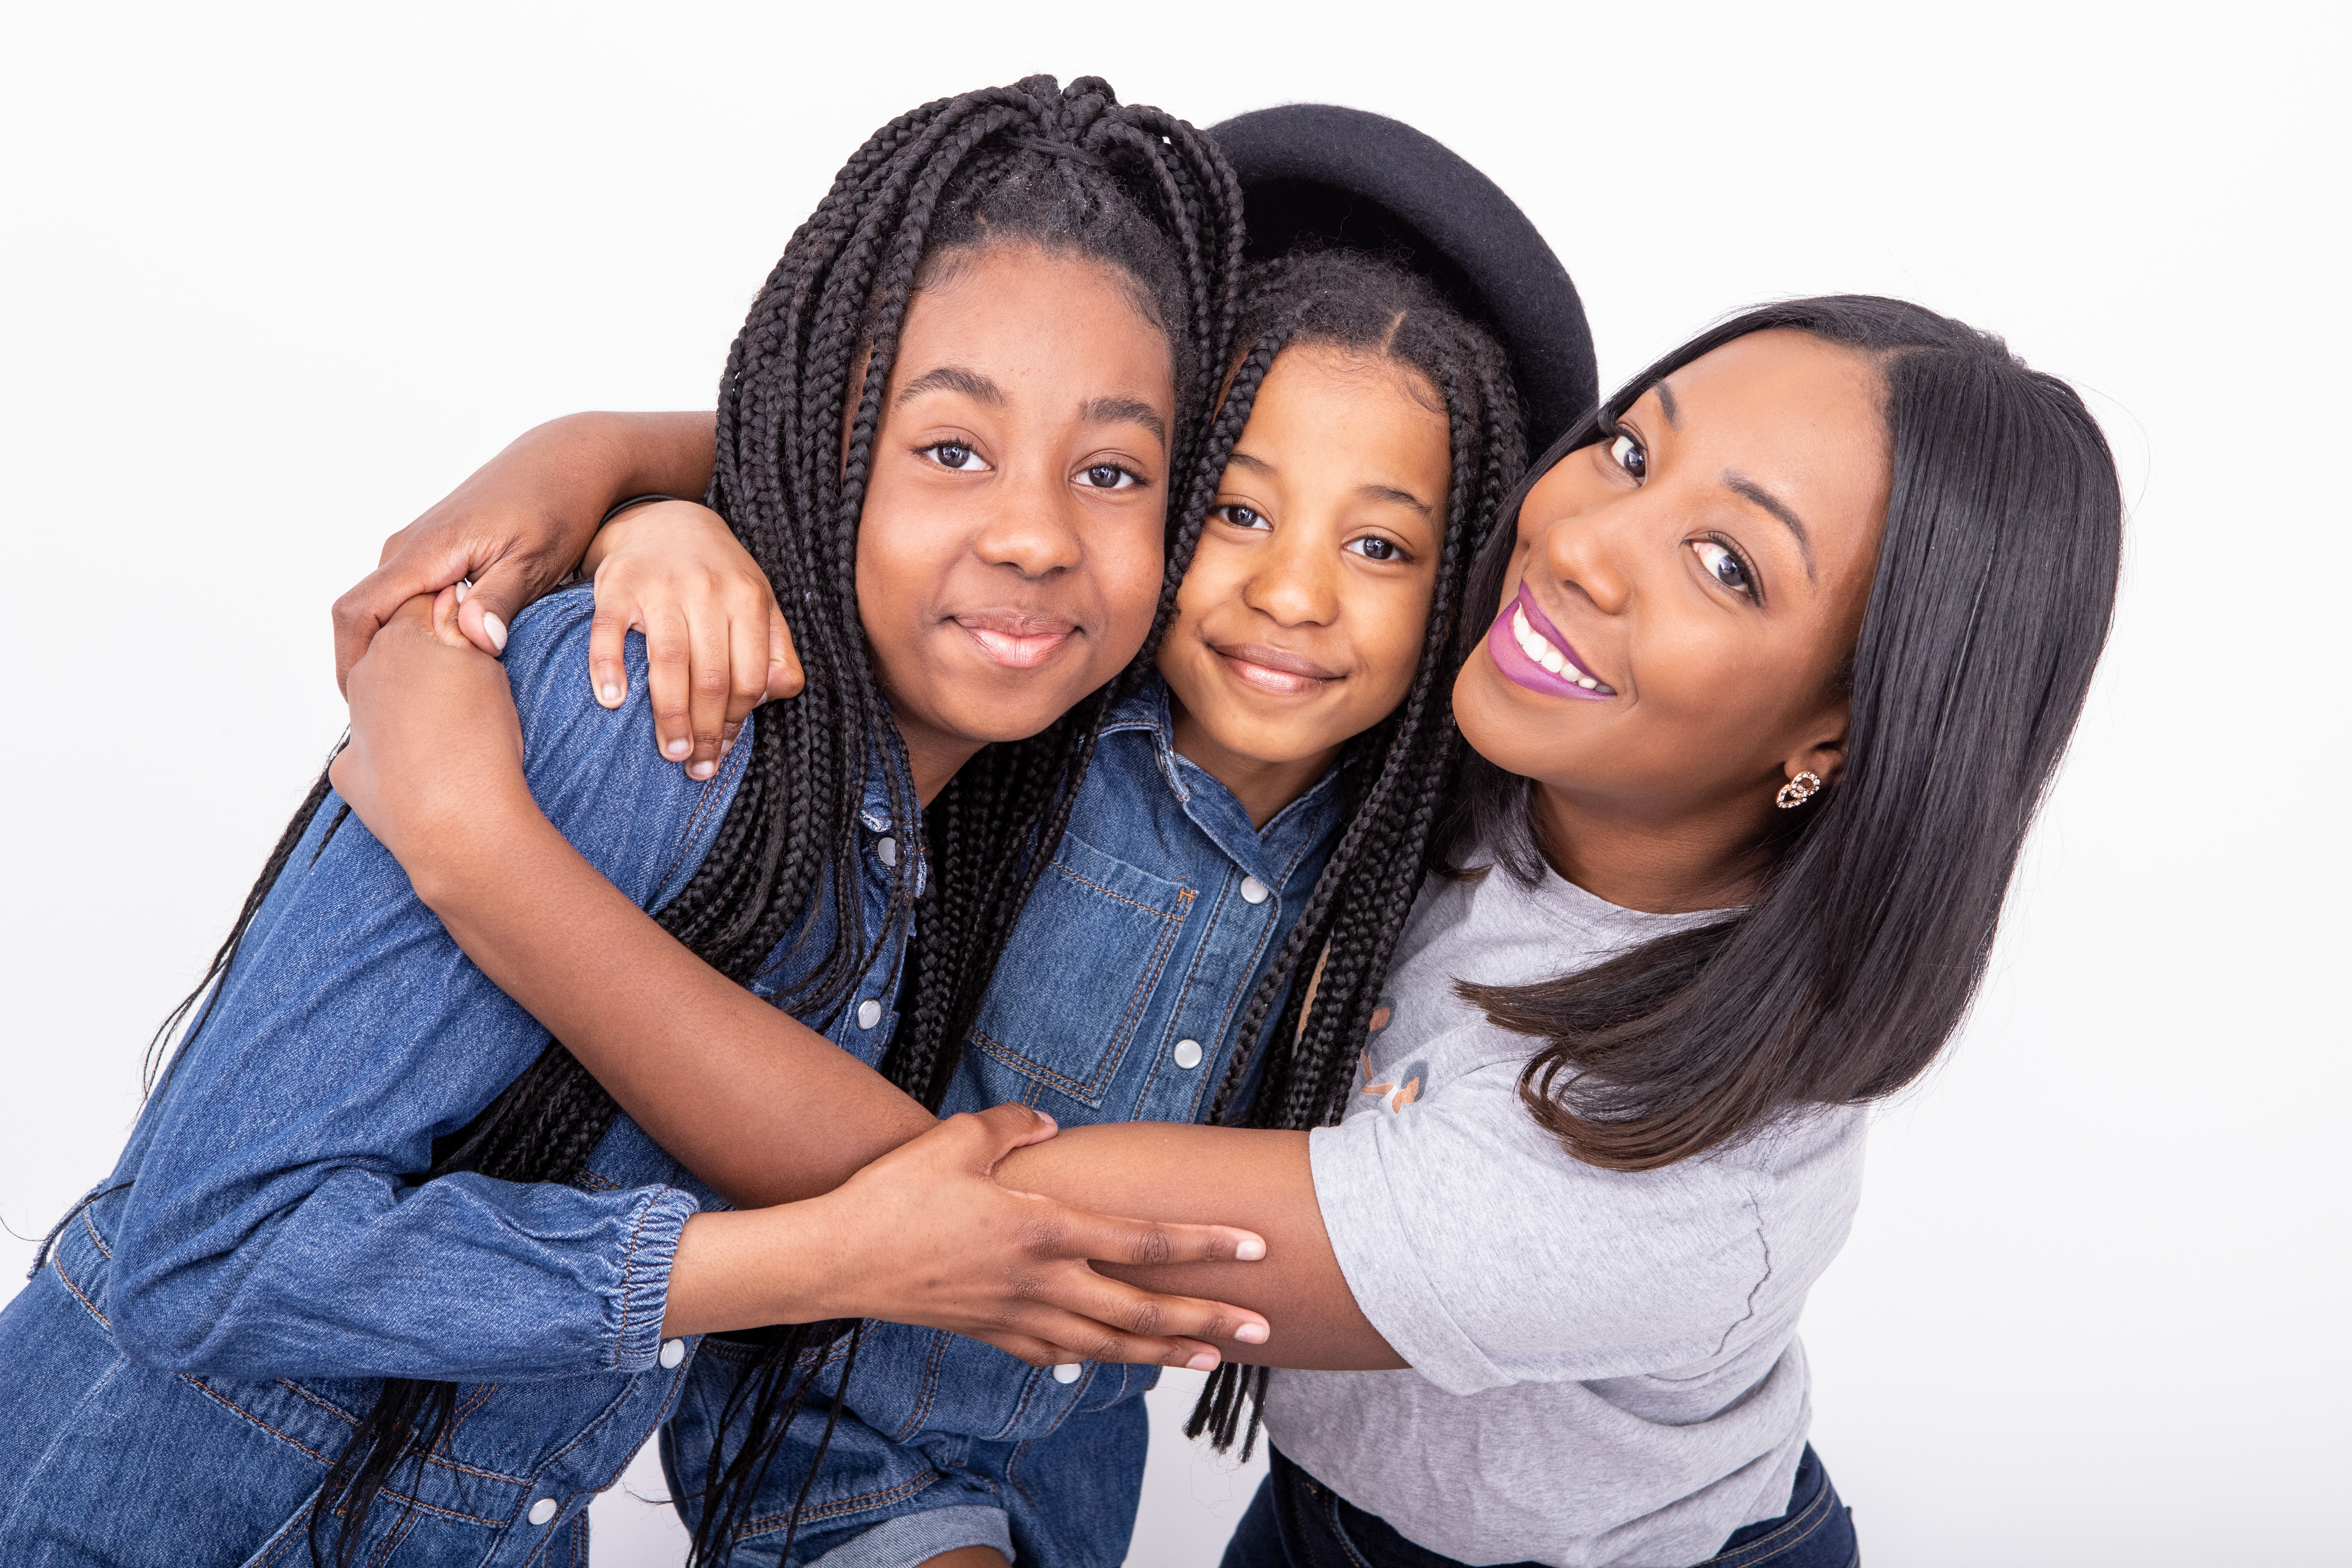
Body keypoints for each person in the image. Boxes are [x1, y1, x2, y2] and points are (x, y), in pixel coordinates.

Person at [333, 293, 2122, 1568]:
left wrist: (484, 858)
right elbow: (1027, 500)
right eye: (1631, 451)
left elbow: (998, 1221)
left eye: (1732, 563)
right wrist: (617, 466)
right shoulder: (1473, 729)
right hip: (1332, 1520)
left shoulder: (1662, 1191)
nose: (1584, 543)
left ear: (1842, 734)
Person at [0, 77, 1278, 1568]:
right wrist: (815, 1257)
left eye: (1112, 472)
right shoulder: (651, 708)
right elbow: (207, 1253)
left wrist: (608, 457)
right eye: (953, 451)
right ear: (833, 436)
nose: (1039, 533)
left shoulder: (958, 824)